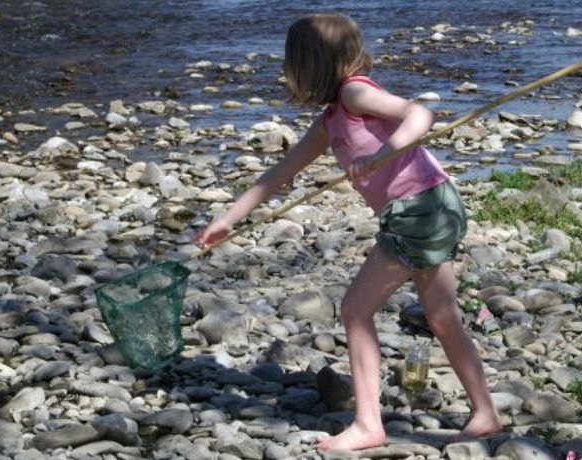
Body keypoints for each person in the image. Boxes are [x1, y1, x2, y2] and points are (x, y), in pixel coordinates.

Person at [194, 13, 501, 451]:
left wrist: (387, 150)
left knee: (356, 311)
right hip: (434, 204)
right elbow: (279, 173)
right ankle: (486, 411)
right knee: (441, 315)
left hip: (419, 209)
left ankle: (368, 424)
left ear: (311, 64)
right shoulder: (330, 119)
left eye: (292, 63)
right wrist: (228, 219)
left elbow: (420, 113)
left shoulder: (355, 93)